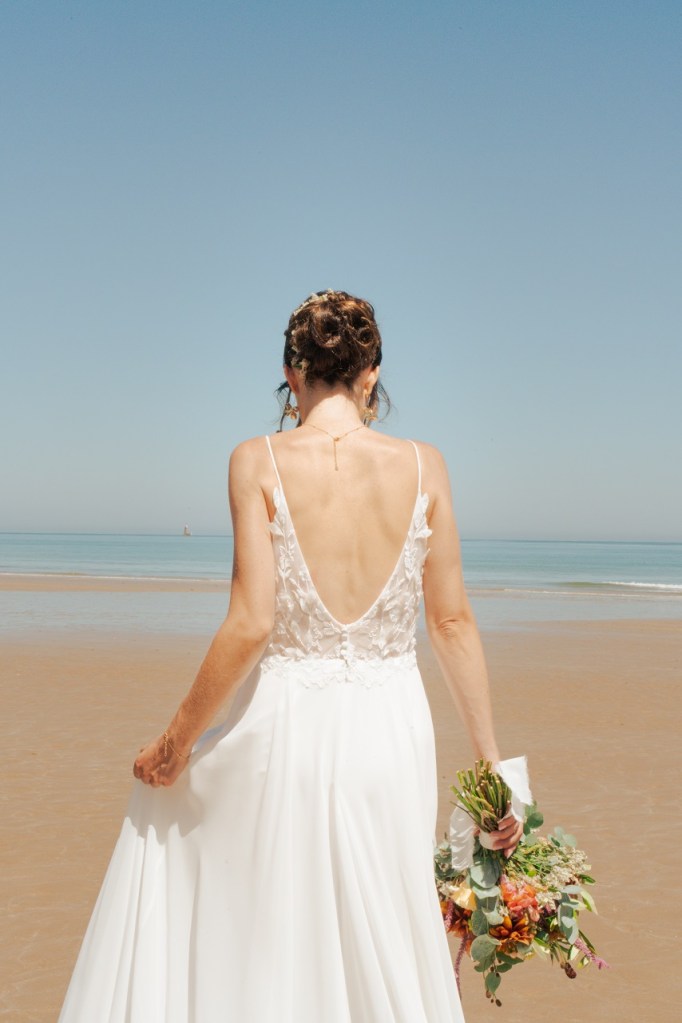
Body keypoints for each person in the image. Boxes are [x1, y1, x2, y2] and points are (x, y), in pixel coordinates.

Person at [58, 290, 522, 1022]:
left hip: (288, 726)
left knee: (270, 929)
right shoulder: (426, 466)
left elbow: (250, 624)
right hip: (391, 734)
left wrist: (175, 743)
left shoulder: (256, 460)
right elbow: (454, 621)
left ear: (290, 371)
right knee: (389, 924)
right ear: (371, 374)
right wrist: (493, 766)